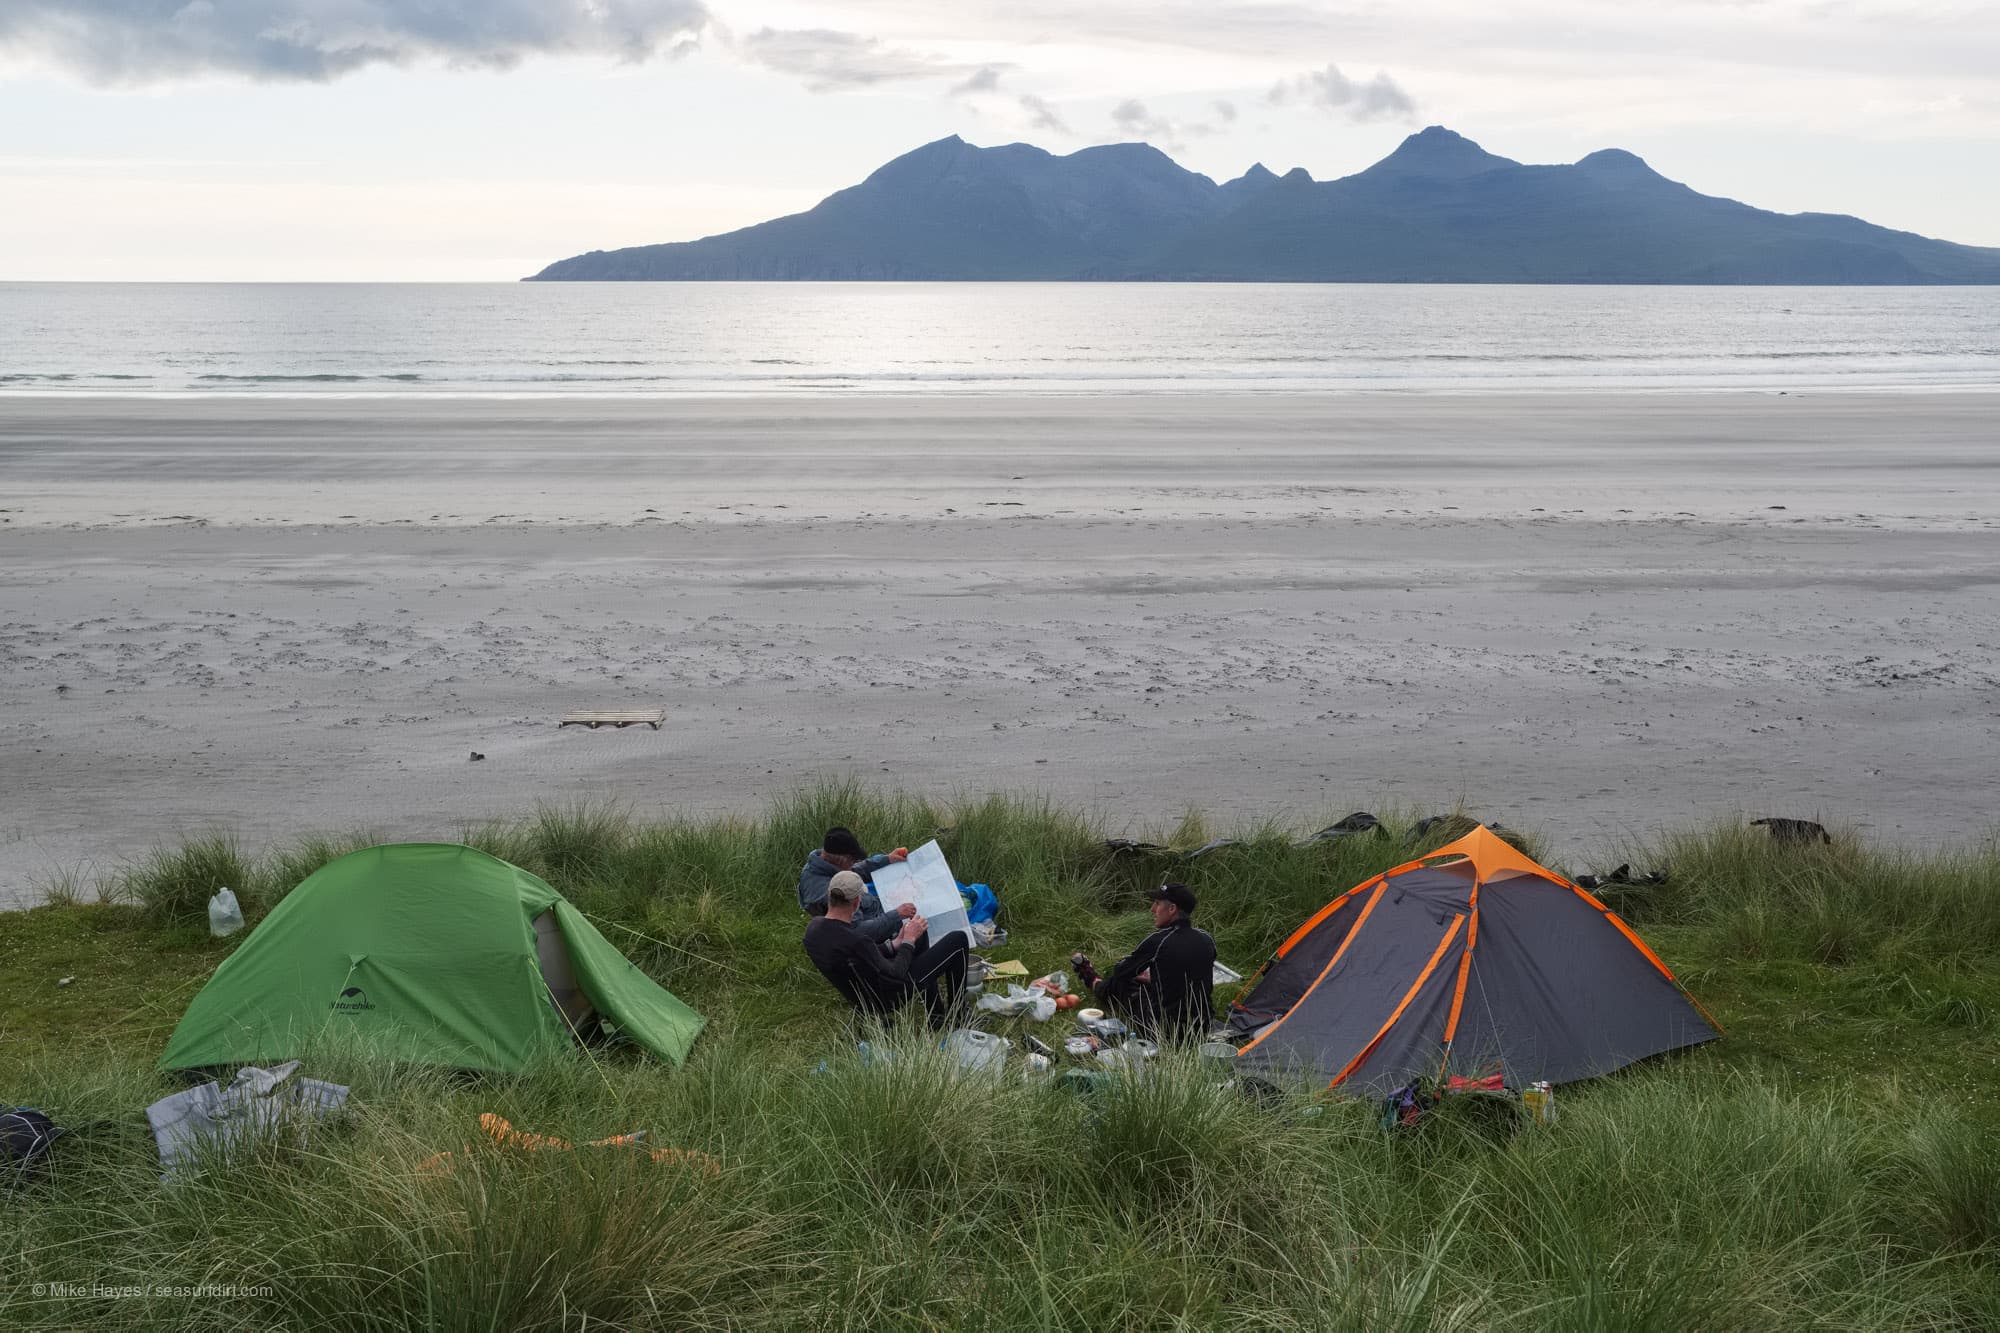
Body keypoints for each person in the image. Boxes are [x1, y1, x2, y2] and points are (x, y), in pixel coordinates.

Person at [803, 871, 969, 1030]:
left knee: (919, 935)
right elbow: (895, 973)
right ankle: (959, 1015)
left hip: (862, 994)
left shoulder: (814, 930)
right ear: (857, 902)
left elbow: (864, 956)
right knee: (958, 939)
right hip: (888, 997)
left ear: (830, 895)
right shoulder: (857, 941)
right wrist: (908, 941)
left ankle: (936, 1014)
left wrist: (896, 943)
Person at [1070, 883, 1216, 1041]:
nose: (1152, 909)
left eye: (1157, 904)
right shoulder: (1206, 938)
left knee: (1123, 982)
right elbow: (1190, 972)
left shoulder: (1159, 941)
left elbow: (1121, 971)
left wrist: (1141, 975)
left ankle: (1092, 980)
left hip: (1164, 1030)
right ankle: (1096, 981)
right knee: (1157, 985)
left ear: (1172, 909)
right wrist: (1153, 976)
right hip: (1202, 1025)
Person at [796, 826, 911, 944]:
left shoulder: (823, 863)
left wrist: (888, 859)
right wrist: (896, 915)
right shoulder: (835, 892)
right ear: (843, 861)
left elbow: (854, 871)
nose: (855, 863)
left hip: (881, 910)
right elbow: (858, 931)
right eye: (853, 860)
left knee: (877, 859)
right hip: (879, 929)